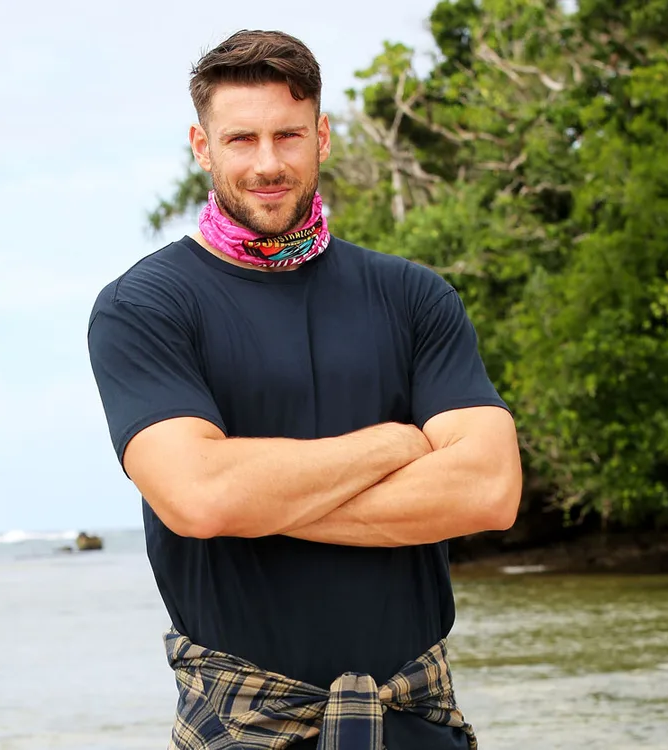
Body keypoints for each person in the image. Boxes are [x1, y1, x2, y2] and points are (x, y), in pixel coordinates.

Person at [87, 29, 522, 750]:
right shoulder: (144, 307)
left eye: (288, 135)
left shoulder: (414, 297)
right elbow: (200, 497)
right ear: (202, 146)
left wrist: (253, 500)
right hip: (244, 725)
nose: (267, 163)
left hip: (414, 721)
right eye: (241, 139)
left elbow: (489, 489)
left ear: (321, 136)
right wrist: (395, 444)